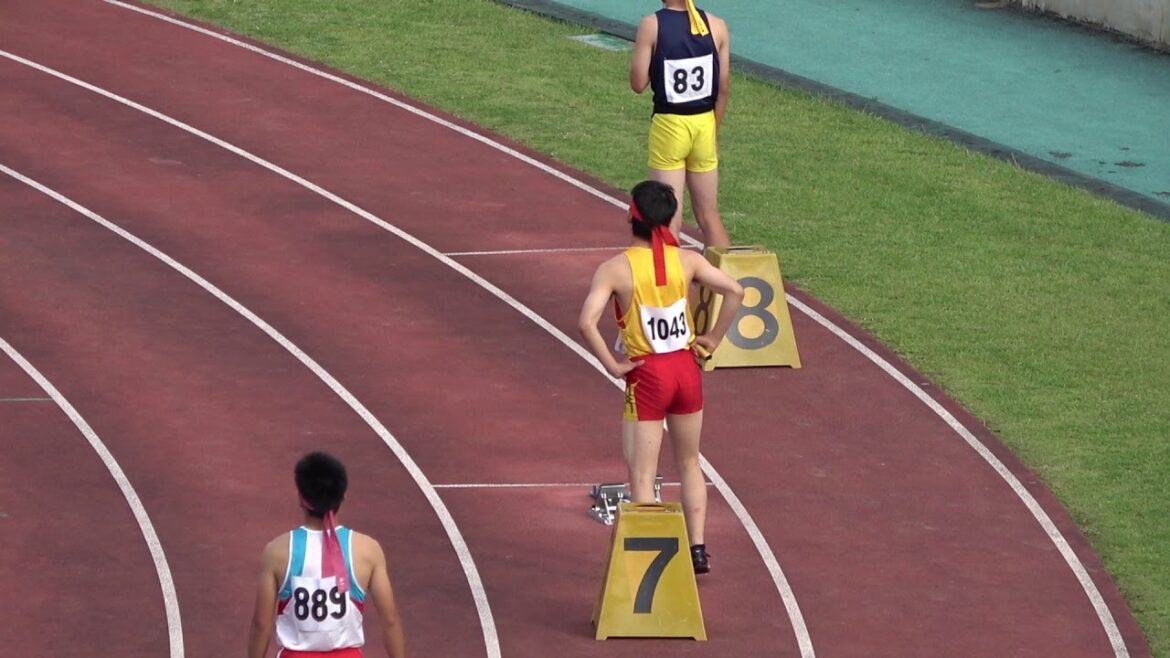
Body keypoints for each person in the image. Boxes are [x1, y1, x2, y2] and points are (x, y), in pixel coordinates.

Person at [578, 180, 744, 573]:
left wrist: (612, 365)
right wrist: (713, 338)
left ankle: (649, 564)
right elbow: (736, 291)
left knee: (642, 473)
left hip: (647, 375)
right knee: (689, 461)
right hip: (686, 370)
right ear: (669, 219)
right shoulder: (687, 260)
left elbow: (586, 322)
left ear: (630, 216)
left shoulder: (615, 269)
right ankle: (698, 549)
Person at [248, 452, 406, 658]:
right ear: (343, 496)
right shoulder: (368, 550)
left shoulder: (277, 551)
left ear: (301, 499)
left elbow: (261, 624)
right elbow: (390, 619)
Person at [630, 0, 732, 248]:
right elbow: (723, 88)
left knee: (669, 218)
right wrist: (713, 131)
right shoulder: (717, 25)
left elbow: (638, 83)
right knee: (709, 216)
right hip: (704, 124)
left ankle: (672, 274)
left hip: (670, 126)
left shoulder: (651, 25)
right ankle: (728, 272)